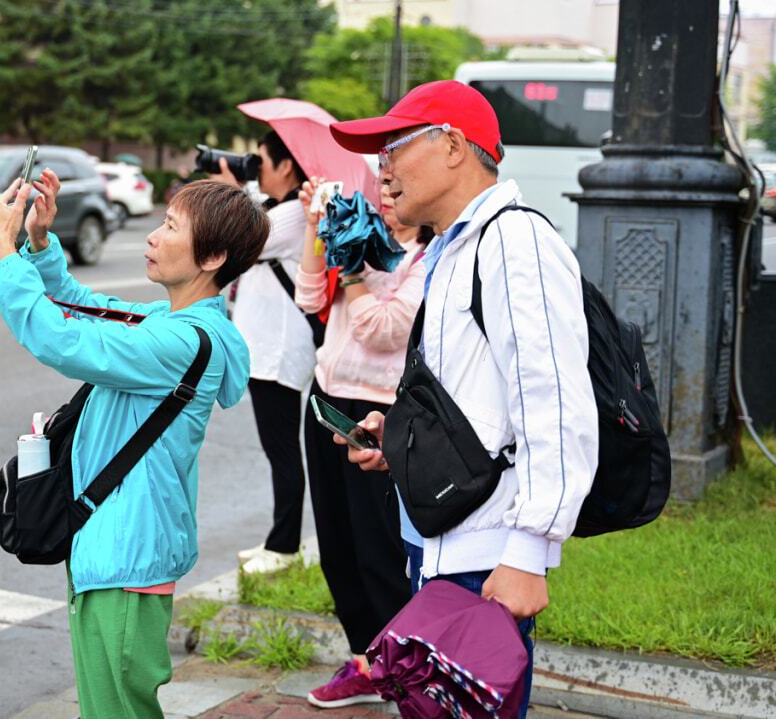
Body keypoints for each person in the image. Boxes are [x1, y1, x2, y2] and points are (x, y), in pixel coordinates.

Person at [331, 80, 600, 717]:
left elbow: (554, 402)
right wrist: (399, 442)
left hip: (487, 559)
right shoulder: (456, 247)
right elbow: (476, 399)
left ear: (453, 146)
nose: (383, 170)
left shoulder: (515, 242)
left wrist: (529, 551)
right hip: (443, 549)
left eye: (394, 147)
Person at [0, 170, 267, 718]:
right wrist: (40, 243)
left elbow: (61, 338)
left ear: (211, 258)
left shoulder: (178, 341)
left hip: (126, 560)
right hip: (117, 551)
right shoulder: (172, 321)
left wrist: (5, 249)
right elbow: (78, 306)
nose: (152, 236)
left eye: (170, 226)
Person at [292, 175, 432, 708]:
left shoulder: (425, 262)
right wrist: (315, 228)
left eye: (400, 200)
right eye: (385, 200)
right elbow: (309, 297)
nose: (391, 210)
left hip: (380, 414)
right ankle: (367, 661)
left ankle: (402, 670)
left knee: (379, 549)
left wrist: (352, 267)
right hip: (327, 400)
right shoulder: (362, 242)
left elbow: (383, 329)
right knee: (337, 546)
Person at [207, 132, 316, 575]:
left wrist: (232, 191)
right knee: (278, 449)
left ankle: (284, 546)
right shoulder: (277, 209)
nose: (258, 169)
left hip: (279, 351)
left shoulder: (292, 215)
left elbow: (238, 240)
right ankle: (280, 540)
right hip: (265, 349)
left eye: (263, 162)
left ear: (287, 166)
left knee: (283, 450)